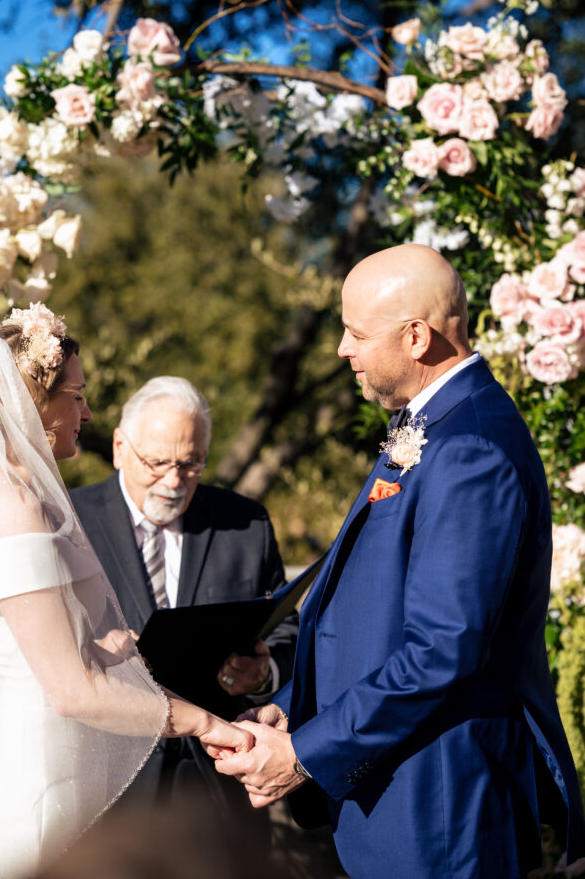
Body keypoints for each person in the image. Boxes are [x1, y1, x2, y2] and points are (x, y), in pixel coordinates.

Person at [214, 244, 585, 879]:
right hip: (399, 792)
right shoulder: (436, 423)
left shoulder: (469, 446)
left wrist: (304, 753)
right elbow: (377, 618)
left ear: (416, 337)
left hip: (439, 807)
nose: (341, 350)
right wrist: (298, 706)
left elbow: (442, 650)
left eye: (356, 333)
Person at [0, 304, 250, 879]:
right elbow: (70, 692)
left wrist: (107, 650)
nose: (87, 412)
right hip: (32, 784)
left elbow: (20, 654)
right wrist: (206, 723)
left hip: (13, 764)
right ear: (32, 403)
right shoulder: (11, 506)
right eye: (77, 395)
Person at [70, 376, 298, 812]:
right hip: (102, 786)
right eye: (157, 462)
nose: (174, 481)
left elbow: (285, 628)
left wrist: (264, 673)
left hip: (219, 788)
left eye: (192, 465)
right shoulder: (69, 521)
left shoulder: (245, 524)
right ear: (120, 448)